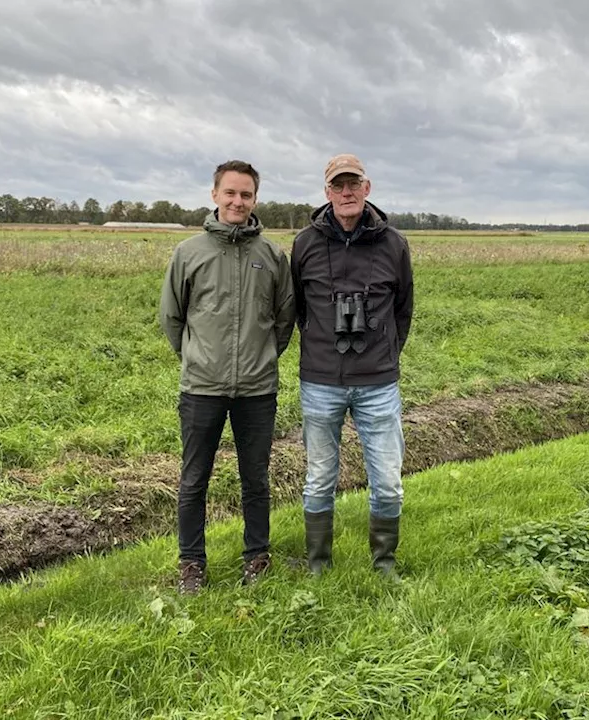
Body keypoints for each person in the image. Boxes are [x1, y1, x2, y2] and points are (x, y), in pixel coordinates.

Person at [159, 160, 296, 594]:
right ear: (215, 195)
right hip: (202, 388)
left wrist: (262, 356)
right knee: (193, 479)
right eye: (231, 193)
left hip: (257, 389)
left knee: (255, 479)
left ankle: (257, 557)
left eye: (247, 195)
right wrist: (197, 357)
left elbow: (284, 318)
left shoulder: (272, 257)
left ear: (256, 200)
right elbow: (172, 317)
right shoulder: (189, 253)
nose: (238, 201)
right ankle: (191, 565)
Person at [291, 153, 414, 577]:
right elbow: (297, 307)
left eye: (353, 184)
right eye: (337, 185)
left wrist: (384, 354)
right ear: (326, 192)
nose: (346, 192)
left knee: (387, 480)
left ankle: (384, 564)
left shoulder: (394, 244)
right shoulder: (304, 244)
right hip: (321, 380)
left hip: (378, 383)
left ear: (367, 188)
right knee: (319, 476)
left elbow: (403, 310)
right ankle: (318, 565)